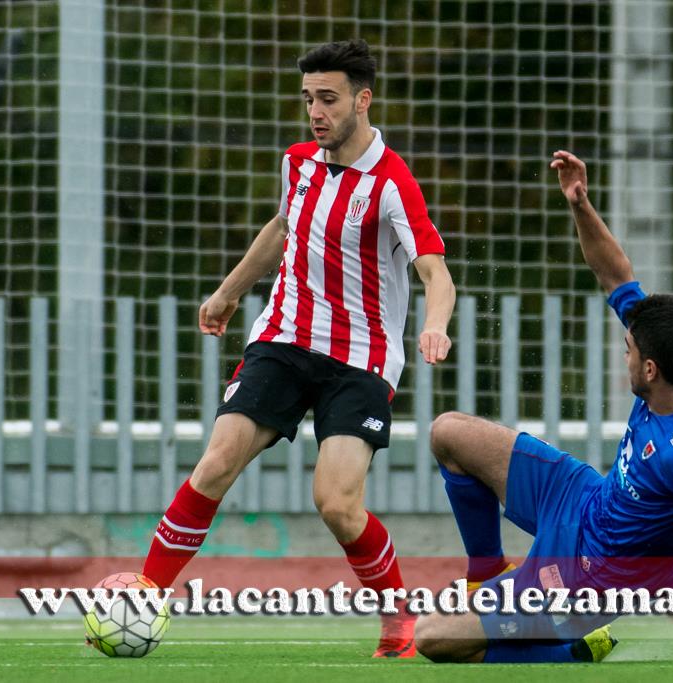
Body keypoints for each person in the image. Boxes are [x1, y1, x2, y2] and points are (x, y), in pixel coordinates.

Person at [140, 39, 456, 658]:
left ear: (363, 101)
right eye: (309, 98)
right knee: (216, 463)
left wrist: (437, 324)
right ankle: (143, 595)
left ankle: (398, 618)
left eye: (329, 99)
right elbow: (283, 227)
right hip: (283, 338)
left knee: (336, 504)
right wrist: (228, 293)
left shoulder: (393, 183)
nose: (315, 111)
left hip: (360, 359)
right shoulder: (298, 162)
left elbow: (435, 272)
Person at [414, 150, 673, 665]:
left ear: (650, 370)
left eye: (629, 351)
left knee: (433, 637)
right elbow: (616, 276)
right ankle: (486, 575)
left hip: (595, 574)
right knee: (448, 432)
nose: (623, 352)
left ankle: (570, 650)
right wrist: (579, 203)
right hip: (584, 498)